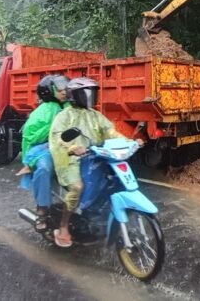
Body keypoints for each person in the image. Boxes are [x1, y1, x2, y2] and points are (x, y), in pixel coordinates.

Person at [48, 77, 142, 248]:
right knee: (77, 187)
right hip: (69, 160)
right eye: (86, 93)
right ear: (74, 95)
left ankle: (103, 214)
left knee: (114, 180)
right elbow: (58, 139)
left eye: (92, 93)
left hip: (94, 156)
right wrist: (73, 147)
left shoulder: (95, 115)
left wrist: (129, 142)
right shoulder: (64, 116)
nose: (90, 96)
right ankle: (63, 226)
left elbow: (110, 132)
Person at [16, 74, 69, 232]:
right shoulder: (43, 111)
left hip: (67, 145)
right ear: (50, 91)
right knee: (44, 168)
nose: (64, 91)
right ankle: (42, 209)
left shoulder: (70, 106)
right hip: (43, 148)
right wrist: (28, 161)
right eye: (60, 88)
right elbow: (29, 137)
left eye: (65, 87)